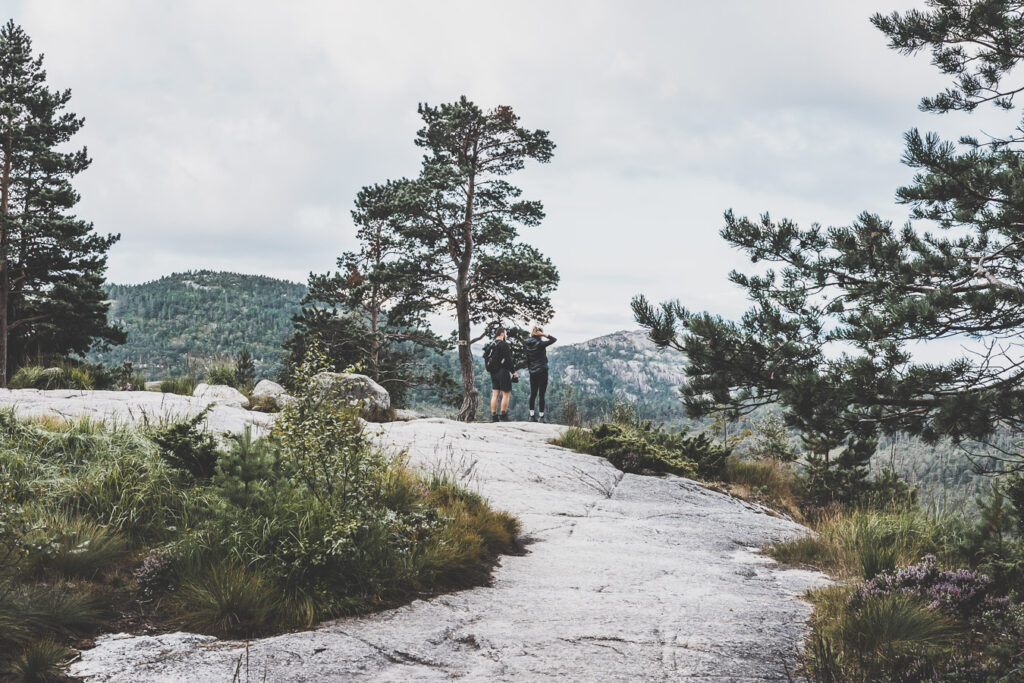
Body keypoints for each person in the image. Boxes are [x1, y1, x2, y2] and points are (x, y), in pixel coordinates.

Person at [523, 325, 556, 423]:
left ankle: (531, 416)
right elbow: (554, 339)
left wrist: (530, 369)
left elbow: (528, 359)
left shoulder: (527, 343)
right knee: (541, 394)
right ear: (539, 333)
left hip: (532, 372)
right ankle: (541, 417)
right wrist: (545, 334)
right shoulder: (540, 343)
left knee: (533, 394)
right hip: (542, 371)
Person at [488, 327, 518, 422]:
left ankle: (494, 416)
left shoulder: (492, 344)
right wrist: (513, 372)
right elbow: (508, 360)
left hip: (493, 372)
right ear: (501, 334)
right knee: (506, 394)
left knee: (495, 395)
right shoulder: (504, 345)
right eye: (505, 333)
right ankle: (503, 415)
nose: (506, 335)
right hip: (503, 371)